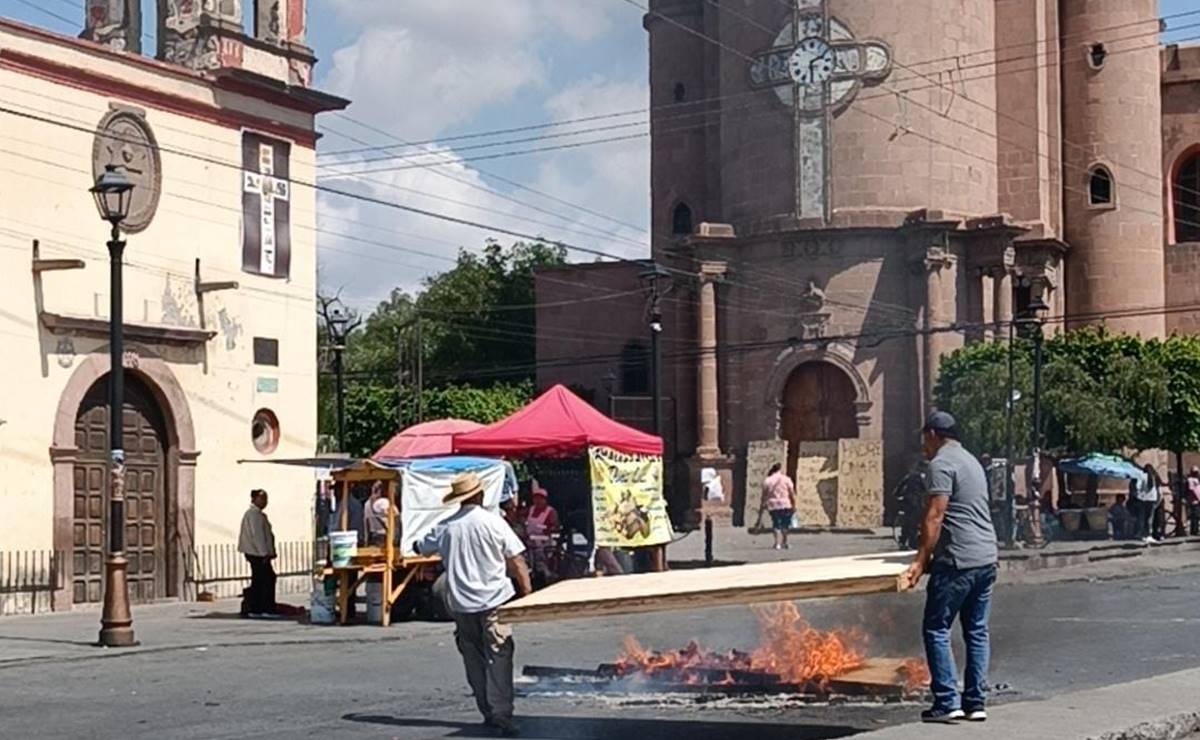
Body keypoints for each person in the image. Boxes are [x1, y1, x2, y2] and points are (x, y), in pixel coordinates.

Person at [417, 473, 532, 737]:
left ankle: (487, 712)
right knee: (499, 656)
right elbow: (516, 561)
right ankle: (501, 714)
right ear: (479, 495)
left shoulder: (446, 526)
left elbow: (421, 546)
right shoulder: (494, 523)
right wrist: (527, 595)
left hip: (461, 604)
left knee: (473, 658)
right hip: (494, 601)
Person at [903, 412, 998, 724]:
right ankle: (975, 702)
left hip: (958, 560)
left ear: (932, 433)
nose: (924, 446)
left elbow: (935, 515)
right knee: (977, 631)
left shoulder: (941, 464)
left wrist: (919, 562)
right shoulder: (971, 461)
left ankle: (946, 700)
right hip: (986, 557)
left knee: (937, 627)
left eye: (924, 439)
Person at [238, 489, 277, 619]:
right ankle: (261, 607)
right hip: (256, 554)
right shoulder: (254, 515)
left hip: (257, 553)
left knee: (263, 579)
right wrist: (264, 553)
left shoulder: (258, 515)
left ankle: (261, 606)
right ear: (254, 499)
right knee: (264, 580)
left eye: (266, 499)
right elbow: (258, 536)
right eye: (262, 498)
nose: (265, 502)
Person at [761, 462, 796, 550]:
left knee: (776, 524)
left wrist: (763, 505)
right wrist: (794, 504)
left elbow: (764, 495)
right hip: (785, 504)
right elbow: (791, 493)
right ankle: (785, 542)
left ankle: (777, 543)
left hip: (773, 505)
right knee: (785, 524)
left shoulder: (768, 480)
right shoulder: (786, 479)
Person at [1134, 464, 1161, 544]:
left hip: (1143, 499)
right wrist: (1157, 500)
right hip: (1152, 499)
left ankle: (1142, 534)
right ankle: (1148, 535)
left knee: (1142, 517)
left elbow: (1138, 487)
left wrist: (1138, 495)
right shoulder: (1154, 477)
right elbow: (1158, 490)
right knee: (1150, 518)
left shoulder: (1142, 476)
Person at [1187, 467, 1200, 537]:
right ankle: (1194, 531)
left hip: (1196, 500)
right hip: (1194, 500)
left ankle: (1195, 530)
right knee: (1195, 516)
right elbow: (1192, 490)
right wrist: (1198, 498)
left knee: (1196, 516)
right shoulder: (1191, 480)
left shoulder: (1196, 479)